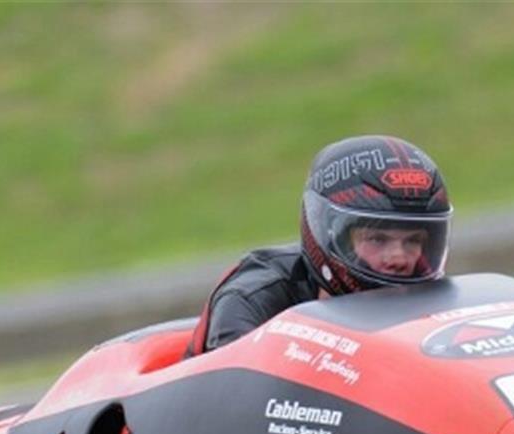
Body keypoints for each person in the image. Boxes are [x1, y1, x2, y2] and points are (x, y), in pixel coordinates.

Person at [184, 135, 452, 357]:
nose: (398, 258)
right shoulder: (252, 300)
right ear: (331, 233)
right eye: (377, 239)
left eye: (413, 240)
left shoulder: (436, 297)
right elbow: (237, 401)